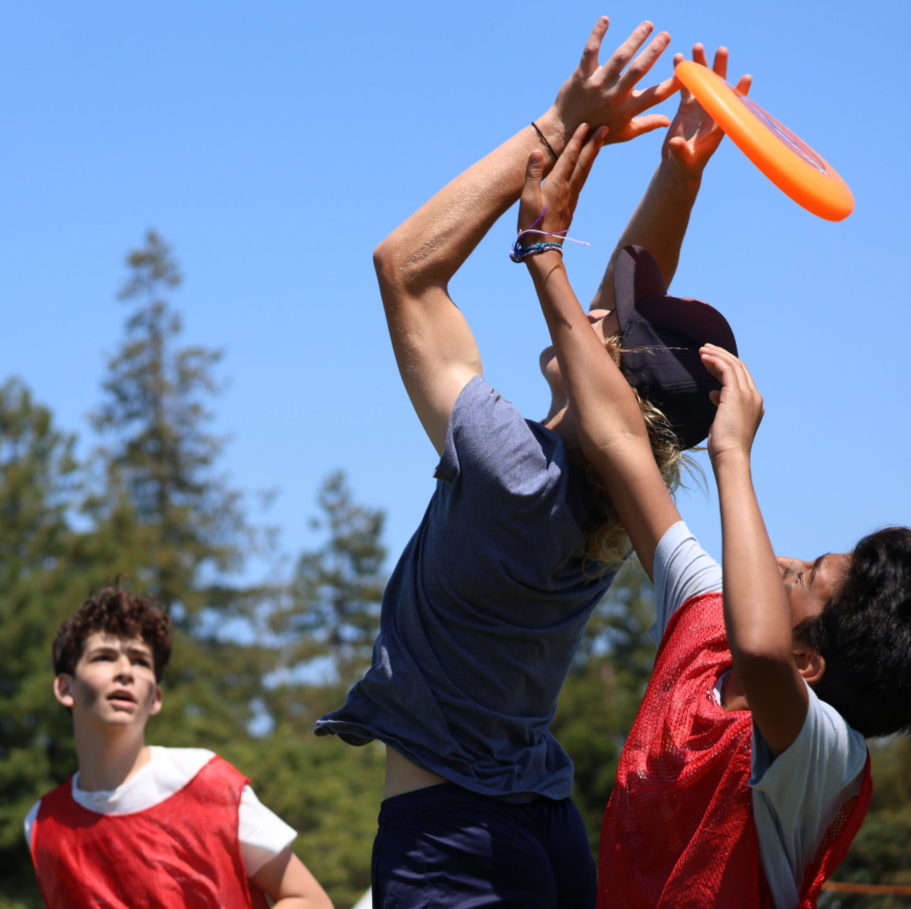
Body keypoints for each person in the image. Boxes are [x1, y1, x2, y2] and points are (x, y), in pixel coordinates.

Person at [514, 57, 911, 909]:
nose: (781, 561)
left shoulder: (825, 757)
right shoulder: (704, 619)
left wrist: (733, 454)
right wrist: (659, 188)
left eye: (802, 578)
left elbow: (759, 649)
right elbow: (619, 437)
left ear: (812, 664)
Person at [313, 18, 723, 909]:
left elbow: (405, 268)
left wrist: (559, 120)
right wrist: (675, 179)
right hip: (544, 822)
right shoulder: (617, 502)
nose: (595, 314)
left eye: (608, 330)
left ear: (603, 373)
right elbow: (620, 309)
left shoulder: (512, 470)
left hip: (451, 843)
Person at [25, 586, 334, 909]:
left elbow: (309, 900)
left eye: (140, 661)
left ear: (155, 698)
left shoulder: (207, 784)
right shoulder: (41, 824)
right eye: (104, 657)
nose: (125, 671)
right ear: (65, 688)